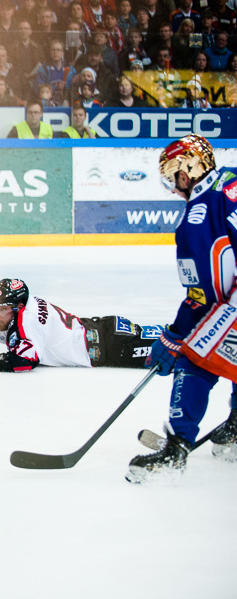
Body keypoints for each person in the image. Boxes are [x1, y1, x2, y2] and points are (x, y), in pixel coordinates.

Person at [127, 134, 237, 483]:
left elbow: (204, 296)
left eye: (172, 179)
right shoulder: (232, 179)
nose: (175, 189)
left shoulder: (196, 219)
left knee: (197, 352)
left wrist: (175, 335)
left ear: (185, 172)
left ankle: (176, 448)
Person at [0, 278, 163, 372]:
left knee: (176, 351)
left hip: (113, 348)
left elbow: (24, 362)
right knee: (172, 339)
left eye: (2, 309)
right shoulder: (17, 311)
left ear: (17, 306)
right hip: (104, 329)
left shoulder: (26, 321)